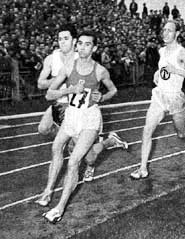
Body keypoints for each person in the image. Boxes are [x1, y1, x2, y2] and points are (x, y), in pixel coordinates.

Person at [39, 31, 119, 223]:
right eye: (80, 44)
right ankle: (49, 190)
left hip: (90, 119)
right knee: (56, 147)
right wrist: (70, 89)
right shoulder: (68, 67)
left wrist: (103, 97)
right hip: (72, 116)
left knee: (74, 162)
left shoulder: (100, 71)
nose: (82, 47)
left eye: (87, 44)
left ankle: (59, 208)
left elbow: (113, 90)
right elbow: (49, 94)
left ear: (94, 48)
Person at [36, 24, 127, 184]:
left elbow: (106, 86)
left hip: (80, 109)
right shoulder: (52, 58)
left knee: (88, 155)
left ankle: (108, 143)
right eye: (59, 39)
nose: (62, 42)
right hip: (60, 103)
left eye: (66, 39)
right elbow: (41, 84)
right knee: (43, 129)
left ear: (74, 41)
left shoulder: (83, 58)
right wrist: (61, 78)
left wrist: (101, 97)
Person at [130, 20, 185, 179]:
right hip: (160, 95)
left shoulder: (183, 53)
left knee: (182, 134)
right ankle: (142, 168)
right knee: (147, 130)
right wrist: (158, 73)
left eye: (169, 30)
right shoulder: (162, 51)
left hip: (175, 97)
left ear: (177, 34)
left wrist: (176, 70)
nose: (165, 33)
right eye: (164, 30)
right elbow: (162, 68)